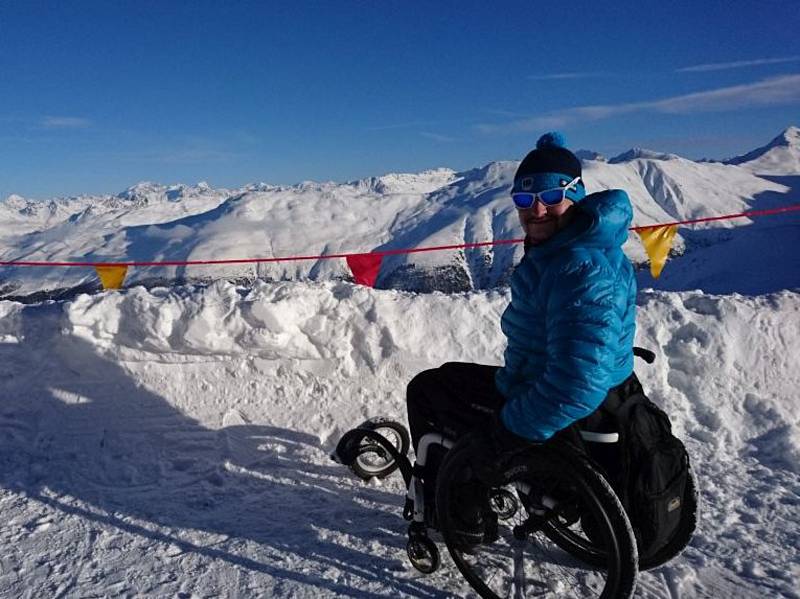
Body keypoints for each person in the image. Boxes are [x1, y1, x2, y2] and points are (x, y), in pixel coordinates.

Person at [405, 131, 638, 539]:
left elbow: (577, 383)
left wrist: (506, 432)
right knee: (447, 382)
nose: (537, 210)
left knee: (429, 391)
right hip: (548, 384)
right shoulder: (569, 249)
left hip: (556, 399)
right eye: (524, 201)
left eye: (551, 197)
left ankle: (462, 517)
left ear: (577, 195)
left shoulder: (580, 270)